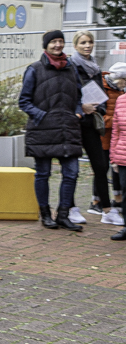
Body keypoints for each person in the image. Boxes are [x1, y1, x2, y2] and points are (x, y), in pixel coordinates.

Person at [19, 29, 84, 231]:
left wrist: (78, 113)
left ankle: (63, 215)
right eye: (53, 42)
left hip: (68, 129)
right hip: (43, 131)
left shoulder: (71, 68)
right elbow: (24, 101)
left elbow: (80, 96)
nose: (57, 45)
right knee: (43, 174)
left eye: (60, 41)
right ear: (45, 45)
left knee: (72, 173)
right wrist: (43, 116)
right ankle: (45, 214)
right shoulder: (34, 69)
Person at [71, 30, 112, 224]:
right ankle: (70, 207)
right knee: (71, 167)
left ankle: (107, 210)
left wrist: (100, 109)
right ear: (75, 46)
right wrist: (81, 107)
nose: (87, 46)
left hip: (92, 122)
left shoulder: (95, 67)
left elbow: (102, 92)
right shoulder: (71, 66)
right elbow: (68, 93)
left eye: (90, 42)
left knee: (101, 166)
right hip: (75, 121)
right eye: (83, 43)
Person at [106, 62, 126, 240]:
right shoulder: (121, 100)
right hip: (123, 155)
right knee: (125, 191)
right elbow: (116, 132)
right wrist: (113, 157)